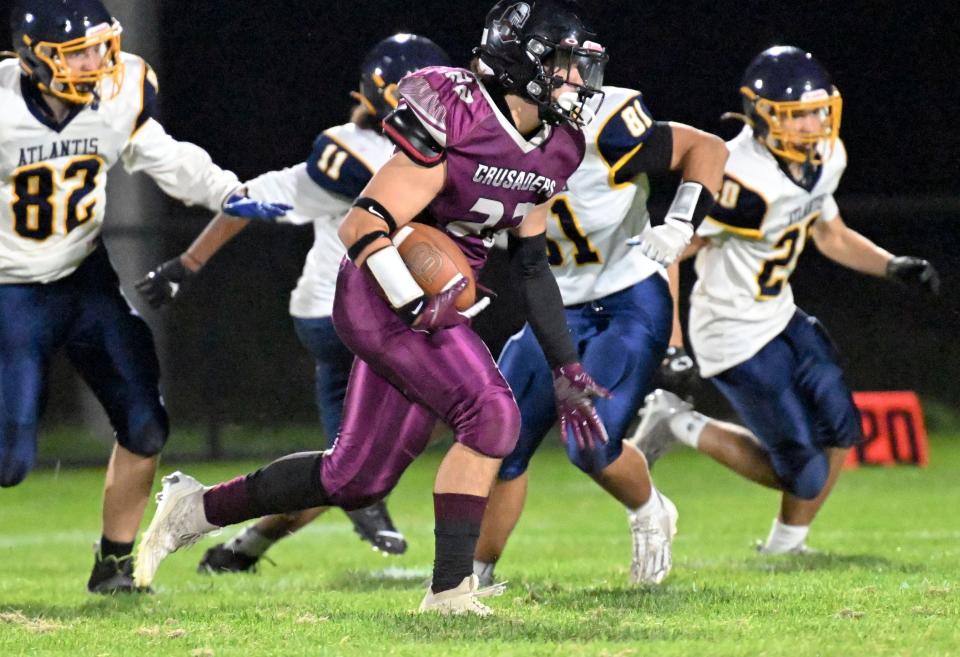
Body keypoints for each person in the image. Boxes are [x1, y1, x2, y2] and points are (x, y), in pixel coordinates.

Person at [133, 0, 614, 616]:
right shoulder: (458, 113)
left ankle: (193, 512)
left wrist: (566, 366)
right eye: (566, 66)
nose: (577, 82)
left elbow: (530, 264)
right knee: (491, 415)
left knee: (354, 478)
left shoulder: (559, 145)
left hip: (437, 299)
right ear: (522, 64)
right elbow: (363, 223)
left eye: (580, 67)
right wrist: (414, 300)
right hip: (378, 290)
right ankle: (449, 593)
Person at [135, 34, 452, 573]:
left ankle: (240, 551)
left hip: (345, 316)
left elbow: (248, 200)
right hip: (350, 318)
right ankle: (367, 498)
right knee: (455, 405)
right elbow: (246, 201)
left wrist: (184, 266)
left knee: (345, 462)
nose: (442, 103)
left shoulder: (434, 149)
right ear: (389, 95)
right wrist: (184, 266)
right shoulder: (360, 152)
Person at [0, 0, 286, 593]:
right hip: (10, 289)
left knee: (145, 424)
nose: (96, 61)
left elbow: (166, 157)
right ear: (34, 57)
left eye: (101, 46)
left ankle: (113, 566)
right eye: (77, 51)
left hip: (84, 277)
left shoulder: (120, 91)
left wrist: (229, 192)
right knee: (10, 463)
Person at [632, 46, 940, 554]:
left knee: (844, 427)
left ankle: (785, 547)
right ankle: (678, 422)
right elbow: (667, 253)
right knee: (801, 470)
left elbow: (830, 233)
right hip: (731, 333)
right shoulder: (737, 177)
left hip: (780, 313)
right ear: (763, 115)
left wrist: (892, 265)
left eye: (821, 111)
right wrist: (672, 342)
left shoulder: (825, 158)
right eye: (800, 116)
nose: (815, 124)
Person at [471, 82, 727, 586]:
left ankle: (651, 511)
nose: (575, 82)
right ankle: (474, 577)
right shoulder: (480, 134)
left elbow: (707, 148)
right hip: (555, 305)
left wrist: (679, 223)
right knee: (499, 442)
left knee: (590, 443)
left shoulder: (605, 124)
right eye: (558, 66)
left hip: (627, 298)